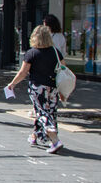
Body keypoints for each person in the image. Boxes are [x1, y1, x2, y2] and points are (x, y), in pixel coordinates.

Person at [6, 24, 64, 153]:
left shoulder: (32, 53)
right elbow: (63, 68)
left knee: (42, 112)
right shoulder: (55, 52)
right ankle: (35, 136)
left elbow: (23, 72)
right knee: (50, 112)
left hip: (38, 87)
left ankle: (55, 140)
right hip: (53, 87)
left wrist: (13, 84)